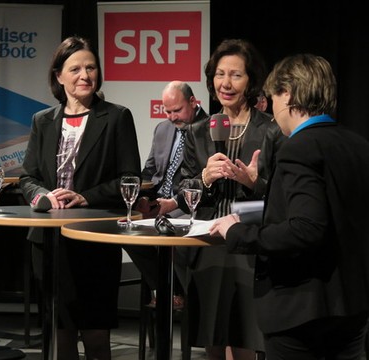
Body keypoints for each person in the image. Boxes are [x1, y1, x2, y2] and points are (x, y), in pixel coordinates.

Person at [210, 53, 369, 359]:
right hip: (352, 306)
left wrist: (238, 232)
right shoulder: (357, 144)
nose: (270, 107)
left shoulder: (299, 147)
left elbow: (305, 229)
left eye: (273, 97)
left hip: (303, 310)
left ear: (289, 94)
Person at [158, 39, 285, 360]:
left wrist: (255, 183)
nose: (226, 83)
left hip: (250, 247)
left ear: (251, 80)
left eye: (236, 75)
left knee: (245, 343)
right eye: (219, 74)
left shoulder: (270, 131)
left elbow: (283, 198)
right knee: (212, 342)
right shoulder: (199, 130)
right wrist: (203, 178)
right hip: (208, 244)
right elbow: (182, 194)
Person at [19, 36, 141, 360]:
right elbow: (27, 176)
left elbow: (130, 180)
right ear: (59, 76)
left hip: (96, 241)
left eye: (91, 67)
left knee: (97, 337)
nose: (85, 75)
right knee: (62, 339)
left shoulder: (117, 117)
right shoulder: (42, 120)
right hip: (48, 244)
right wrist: (43, 194)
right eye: (75, 69)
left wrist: (84, 197)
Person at [124, 80, 208, 308]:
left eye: (177, 110)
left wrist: (172, 203)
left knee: (167, 234)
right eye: (168, 111)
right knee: (126, 229)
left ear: (193, 102)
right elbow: (149, 171)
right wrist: (141, 197)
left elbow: (202, 182)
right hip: (157, 203)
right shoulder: (162, 129)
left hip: (188, 206)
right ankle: (168, 289)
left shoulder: (207, 131)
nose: (172, 117)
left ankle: (172, 292)